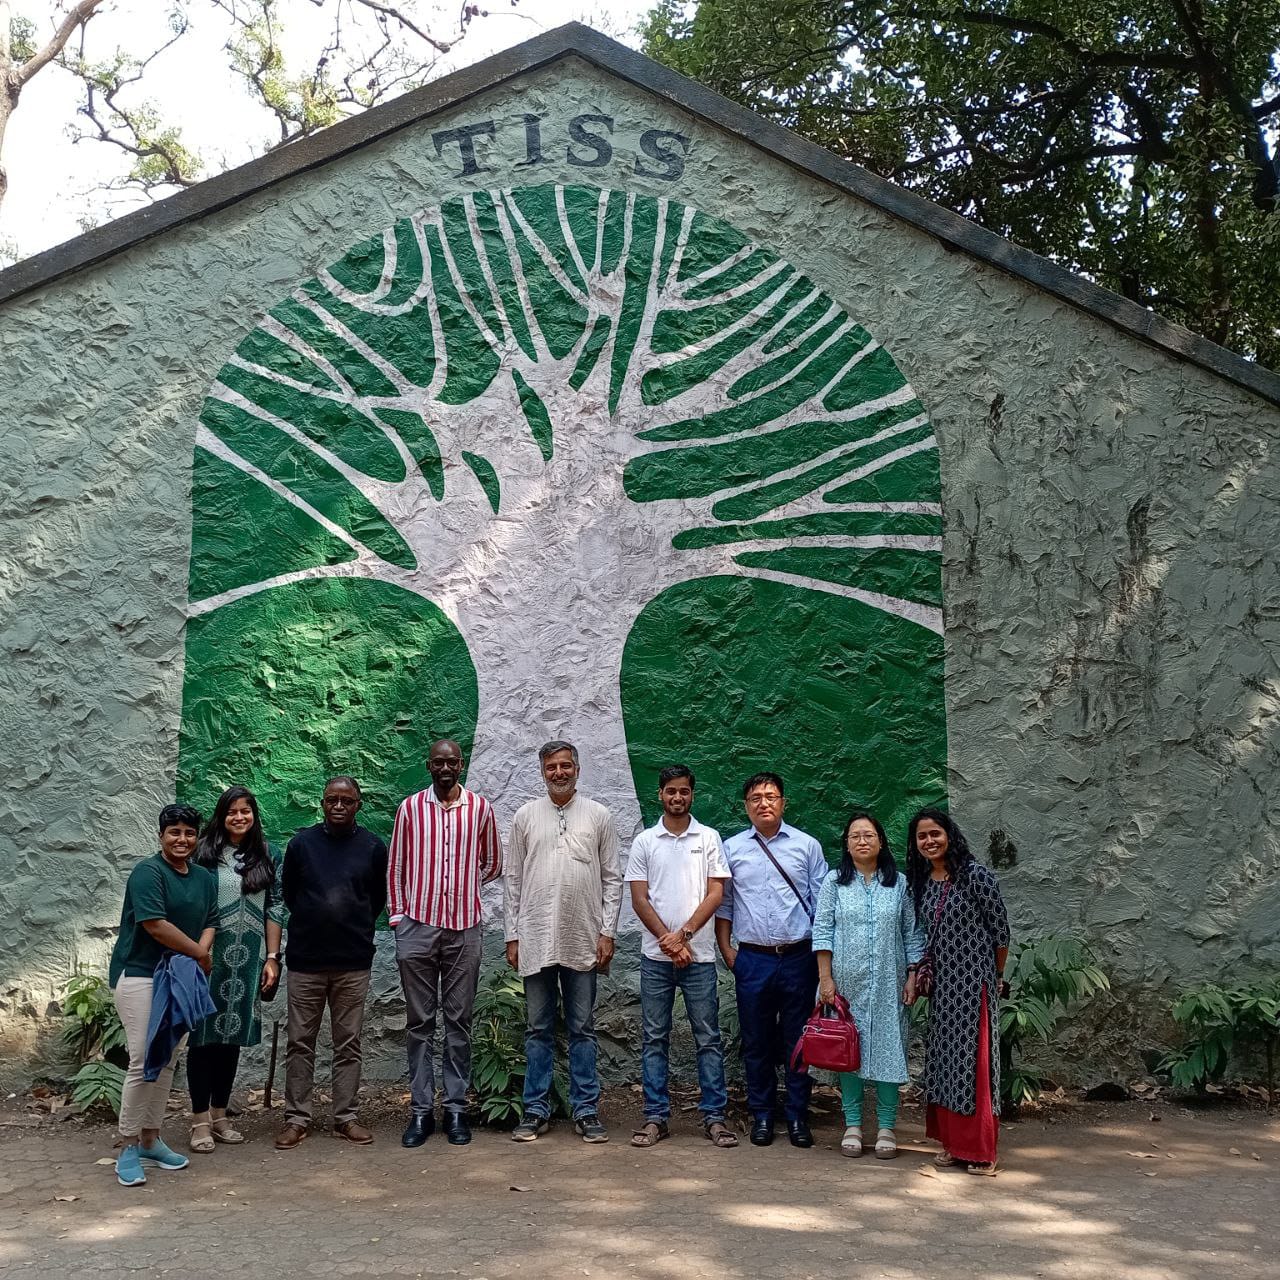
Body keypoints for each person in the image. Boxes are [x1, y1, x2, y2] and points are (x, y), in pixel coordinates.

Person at [504, 740, 622, 1143]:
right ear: (542, 771)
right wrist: (513, 935)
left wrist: (607, 932)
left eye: (566, 765)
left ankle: (586, 1110)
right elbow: (513, 881)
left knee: (582, 1028)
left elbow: (612, 878)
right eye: (552, 766)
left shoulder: (598, 816)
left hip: (583, 937)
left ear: (577, 769)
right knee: (537, 1028)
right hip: (535, 937)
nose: (559, 772)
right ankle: (535, 1110)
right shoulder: (525, 816)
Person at [388, 739, 502, 1148]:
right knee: (420, 1023)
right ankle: (421, 1111)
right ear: (429, 766)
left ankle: (455, 1108)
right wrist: (400, 918)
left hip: (464, 928)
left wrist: (464, 889)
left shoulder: (480, 808)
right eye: (438, 762)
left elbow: (492, 863)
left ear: (462, 765)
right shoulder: (410, 808)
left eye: (452, 762)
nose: (445, 768)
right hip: (417, 927)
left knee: (459, 1021)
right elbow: (396, 865)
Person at [625, 765, 735, 1149]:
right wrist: (667, 943)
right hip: (655, 960)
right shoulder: (645, 842)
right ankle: (656, 1118)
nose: (677, 797)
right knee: (654, 1037)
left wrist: (684, 937)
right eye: (671, 791)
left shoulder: (708, 838)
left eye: (684, 791)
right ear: (660, 795)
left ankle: (715, 1118)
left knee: (707, 1037)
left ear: (692, 795)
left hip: (700, 958)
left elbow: (715, 895)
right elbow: (639, 898)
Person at [108, 804, 218, 1187]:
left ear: (197, 837)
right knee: (143, 1060)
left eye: (189, 833)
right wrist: (200, 954)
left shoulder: (204, 877)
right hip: (140, 975)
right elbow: (155, 925)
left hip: (181, 977)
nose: (182, 840)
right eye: (174, 833)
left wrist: (200, 952)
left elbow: (210, 921)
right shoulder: (148, 872)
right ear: (161, 836)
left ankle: (151, 1140)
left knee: (168, 1059)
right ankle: (126, 1145)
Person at [715, 772, 828, 1148]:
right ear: (746, 806)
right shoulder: (732, 848)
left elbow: (821, 904)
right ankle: (762, 1115)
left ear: (783, 802)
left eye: (771, 796)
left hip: (798, 956)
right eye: (756, 798)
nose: (764, 803)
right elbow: (725, 903)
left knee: (799, 1040)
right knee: (756, 1040)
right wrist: (728, 950)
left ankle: (797, 1115)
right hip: (752, 959)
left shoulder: (806, 846)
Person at [275, 776, 388, 1149]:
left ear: (359, 804)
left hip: (352, 963)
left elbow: (376, 901)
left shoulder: (373, 847)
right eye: (332, 800)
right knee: (300, 1042)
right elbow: (291, 894)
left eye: (347, 801)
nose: (338, 806)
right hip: (306, 962)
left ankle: (346, 1117)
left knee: (349, 1043)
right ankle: (296, 1118)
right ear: (322, 804)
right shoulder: (301, 845)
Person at [813, 811, 924, 1159]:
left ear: (880, 841)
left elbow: (912, 933)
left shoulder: (899, 883)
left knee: (890, 1050)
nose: (862, 841)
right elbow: (822, 932)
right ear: (846, 844)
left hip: (890, 985)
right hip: (846, 984)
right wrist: (825, 978)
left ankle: (888, 1126)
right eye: (855, 836)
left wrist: (912, 975)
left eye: (869, 835)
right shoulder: (834, 882)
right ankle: (853, 1125)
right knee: (850, 1052)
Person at [906, 807, 1010, 1176]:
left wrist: (995, 975)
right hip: (944, 991)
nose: (929, 841)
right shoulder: (923, 883)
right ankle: (953, 1144)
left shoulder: (975, 876)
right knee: (946, 1065)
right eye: (922, 836)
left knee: (975, 1066)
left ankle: (981, 1151)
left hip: (975, 987)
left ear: (949, 835)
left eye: (935, 833)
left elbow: (1001, 933)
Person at [187, 785, 284, 1153]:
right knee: (202, 1038)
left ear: (254, 814)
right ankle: (198, 1122)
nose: (239, 817)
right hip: (207, 957)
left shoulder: (267, 854)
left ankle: (219, 1115)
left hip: (248, 960)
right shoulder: (203, 853)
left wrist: (273, 957)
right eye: (232, 811)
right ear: (222, 815)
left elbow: (275, 907)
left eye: (246, 811)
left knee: (230, 1041)